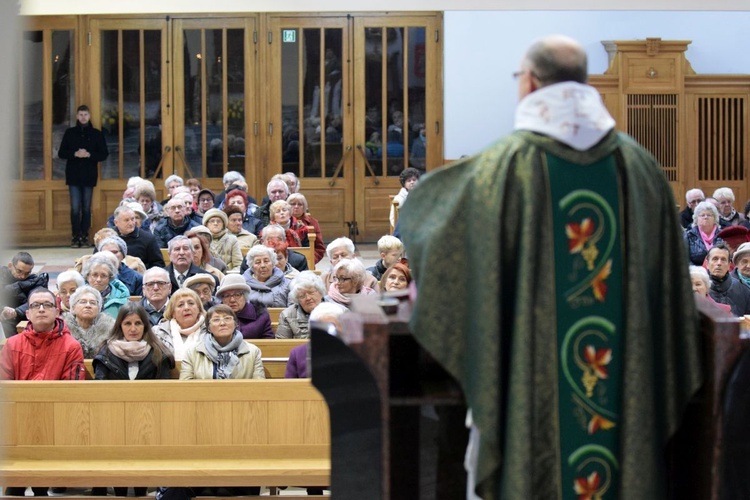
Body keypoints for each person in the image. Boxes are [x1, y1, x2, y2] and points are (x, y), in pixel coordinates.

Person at [400, 35, 702, 498]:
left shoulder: (503, 167)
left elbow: (429, 227)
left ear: (531, 83)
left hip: (532, 390)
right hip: (623, 386)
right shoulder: (640, 169)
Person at [0, 287, 85, 381]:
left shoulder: (71, 347)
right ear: (28, 314)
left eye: (47, 305)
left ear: (57, 312)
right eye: (35, 305)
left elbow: (72, 389)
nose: (41, 309)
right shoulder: (12, 344)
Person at [58, 104, 109, 248]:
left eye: (85, 115)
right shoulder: (70, 133)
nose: (83, 117)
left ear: (89, 116)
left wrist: (89, 154)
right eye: (80, 115)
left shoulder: (96, 134)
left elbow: (104, 154)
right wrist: (75, 154)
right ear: (76, 116)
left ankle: (85, 236)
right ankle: (75, 236)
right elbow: (61, 153)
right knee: (75, 208)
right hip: (73, 175)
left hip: (89, 175)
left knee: (86, 207)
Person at [93, 302, 174, 380]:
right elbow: (100, 389)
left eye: (138, 323)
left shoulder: (159, 354)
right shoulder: (106, 352)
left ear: (145, 325)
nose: (133, 329)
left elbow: (163, 389)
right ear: (120, 326)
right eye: (127, 323)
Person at [1, 251, 49, 336]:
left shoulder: (35, 281)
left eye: (27, 273)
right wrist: (3, 308)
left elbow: (37, 301)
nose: (22, 276)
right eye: (19, 271)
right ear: (10, 266)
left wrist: (16, 312)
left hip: (22, 319)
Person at [152, 288, 206, 361]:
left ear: (198, 309)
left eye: (191, 303)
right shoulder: (157, 333)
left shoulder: (210, 331)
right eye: (180, 305)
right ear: (173, 313)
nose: (186, 308)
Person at [63, 285, 115, 358]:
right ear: (73, 308)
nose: (88, 305)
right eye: (83, 302)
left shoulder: (110, 330)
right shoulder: (63, 330)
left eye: (93, 303)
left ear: (99, 309)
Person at [215, 274, 273, 339]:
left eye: (237, 295)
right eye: (227, 296)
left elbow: (268, 343)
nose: (232, 300)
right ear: (222, 299)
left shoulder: (260, 315)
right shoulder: (214, 316)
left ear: (245, 296)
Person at [276, 271, 327, 339]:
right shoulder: (287, 315)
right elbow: (282, 346)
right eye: (302, 296)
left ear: (320, 291)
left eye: (311, 292)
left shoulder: (337, 311)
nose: (308, 298)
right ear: (297, 299)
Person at [82, 252, 130, 318]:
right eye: (95, 275)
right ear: (87, 276)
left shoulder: (121, 299)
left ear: (110, 278)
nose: (98, 279)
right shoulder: (78, 296)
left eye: (103, 276)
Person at [707, 243, 750, 315]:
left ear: (729, 265)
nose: (719, 263)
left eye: (723, 259)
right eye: (715, 259)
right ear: (707, 263)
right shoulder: (699, 288)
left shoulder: (744, 290)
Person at [288, 193, 326, 263]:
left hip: (307, 262)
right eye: (293, 204)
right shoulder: (282, 222)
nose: (296, 207)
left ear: (304, 207)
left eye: (300, 204)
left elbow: (319, 248)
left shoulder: (313, 222)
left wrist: (309, 260)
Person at [684, 201, 724, 266]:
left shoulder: (723, 235)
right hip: (696, 273)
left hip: (719, 271)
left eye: (709, 215)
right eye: (702, 215)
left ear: (715, 218)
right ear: (696, 219)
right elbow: (684, 259)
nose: (706, 217)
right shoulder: (689, 236)